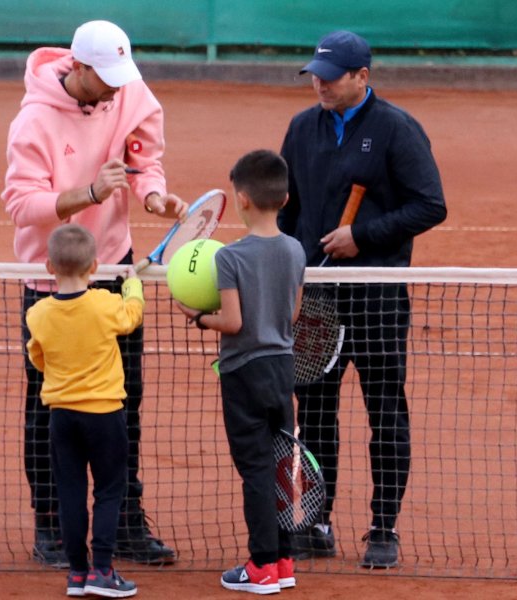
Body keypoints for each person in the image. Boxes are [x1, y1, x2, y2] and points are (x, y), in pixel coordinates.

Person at [1, 19, 184, 568]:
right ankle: (52, 527)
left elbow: (142, 159)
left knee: (124, 402)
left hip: (115, 273)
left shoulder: (130, 91)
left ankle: (125, 520)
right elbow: (21, 203)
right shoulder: (31, 121)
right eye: (104, 77)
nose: (114, 87)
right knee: (48, 409)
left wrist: (153, 196)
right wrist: (88, 193)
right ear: (77, 68)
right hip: (50, 280)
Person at [278, 30, 447, 569]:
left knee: (385, 413)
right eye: (316, 76)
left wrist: (364, 237)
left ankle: (383, 528)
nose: (320, 84)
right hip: (318, 300)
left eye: (331, 77)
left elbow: (430, 205)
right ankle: (318, 519)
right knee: (318, 413)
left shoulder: (397, 129)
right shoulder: (302, 129)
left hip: (375, 296)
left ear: (362, 77)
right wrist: (292, 268)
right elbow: (288, 210)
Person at [176, 150, 307, 594]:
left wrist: (197, 315)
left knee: (254, 469)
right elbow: (291, 314)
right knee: (279, 466)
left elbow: (232, 323)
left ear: (244, 200)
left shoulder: (229, 259)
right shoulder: (295, 249)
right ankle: (285, 559)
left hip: (243, 374)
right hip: (282, 369)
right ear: (285, 198)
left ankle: (261, 567)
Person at [26, 224, 144, 597]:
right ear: (95, 266)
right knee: (110, 490)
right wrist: (133, 283)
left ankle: (77, 573)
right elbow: (132, 316)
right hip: (105, 416)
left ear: (49, 267)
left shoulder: (39, 314)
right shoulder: (105, 304)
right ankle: (103, 571)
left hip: (62, 418)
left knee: (71, 492)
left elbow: (39, 359)